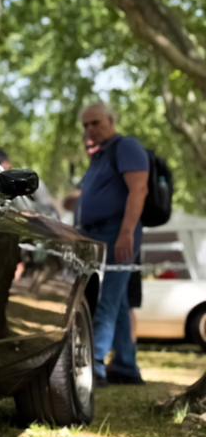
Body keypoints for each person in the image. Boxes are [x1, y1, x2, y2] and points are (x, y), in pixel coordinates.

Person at [76, 102, 148, 386]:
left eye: (95, 123)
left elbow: (138, 189)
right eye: (85, 125)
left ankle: (94, 366)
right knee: (117, 303)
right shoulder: (99, 156)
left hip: (118, 232)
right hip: (96, 234)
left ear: (110, 120)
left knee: (105, 299)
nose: (90, 130)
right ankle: (127, 367)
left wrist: (127, 232)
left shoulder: (126, 147)